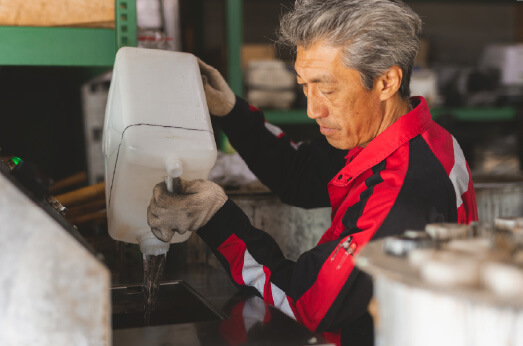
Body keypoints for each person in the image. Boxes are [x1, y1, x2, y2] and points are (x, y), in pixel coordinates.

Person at [147, 0, 478, 344]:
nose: (312, 109)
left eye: (329, 89)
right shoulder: (405, 133)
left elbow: (306, 306)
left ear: (386, 82)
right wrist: (232, 112)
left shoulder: (400, 195)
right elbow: (301, 176)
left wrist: (214, 218)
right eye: (305, 86)